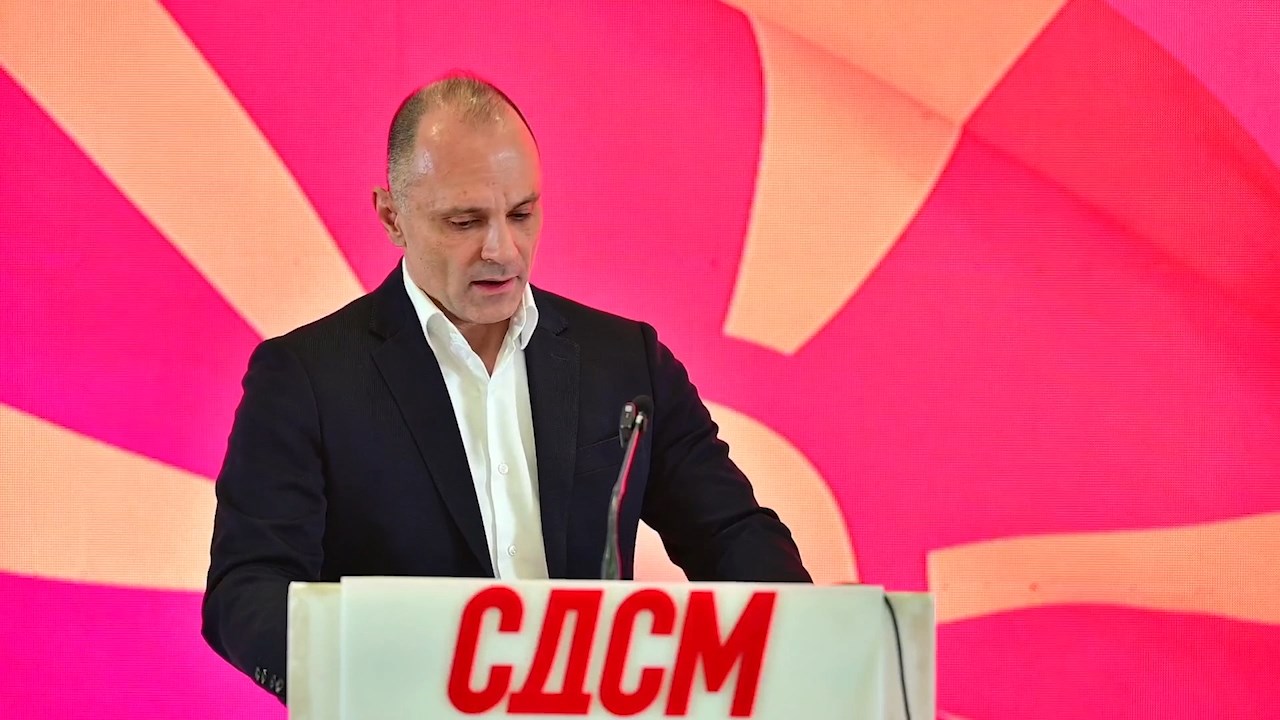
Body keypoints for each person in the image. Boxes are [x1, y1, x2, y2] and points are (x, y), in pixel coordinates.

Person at [201, 75, 810, 704]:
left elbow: (730, 535)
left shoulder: (627, 362)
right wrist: (367, 689)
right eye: (464, 221)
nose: (502, 249)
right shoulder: (306, 378)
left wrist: (815, 652)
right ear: (392, 217)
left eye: (522, 214)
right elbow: (248, 592)